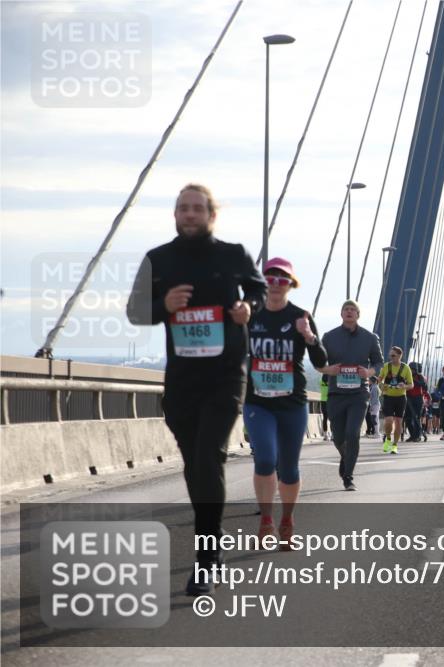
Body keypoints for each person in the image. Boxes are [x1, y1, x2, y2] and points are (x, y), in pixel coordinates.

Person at [126, 183, 267, 595]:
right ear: (175, 215)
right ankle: (211, 538)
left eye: (197, 208)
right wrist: (164, 306)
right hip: (183, 379)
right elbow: (136, 311)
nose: (189, 214)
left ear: (211, 215)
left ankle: (208, 556)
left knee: (208, 456)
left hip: (225, 375)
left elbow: (257, 290)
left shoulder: (233, 255)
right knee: (195, 464)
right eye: (182, 208)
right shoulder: (159, 259)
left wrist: (249, 308)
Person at [243, 257, 327, 547]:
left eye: (282, 279)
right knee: (265, 459)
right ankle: (266, 520)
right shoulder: (251, 314)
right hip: (258, 402)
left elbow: (321, 362)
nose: (276, 284)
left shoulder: (300, 315)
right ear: (263, 282)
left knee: (289, 467)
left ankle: (287, 520)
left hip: (292, 403)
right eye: (270, 278)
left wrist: (309, 336)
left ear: (291, 284)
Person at [317, 300, 383, 491]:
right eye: (346, 309)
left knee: (353, 434)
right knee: (338, 437)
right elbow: (318, 362)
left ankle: (348, 477)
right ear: (341, 314)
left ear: (358, 314)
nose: (349, 312)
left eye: (353, 309)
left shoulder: (370, 338)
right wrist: (329, 369)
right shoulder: (329, 337)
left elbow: (379, 363)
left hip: (358, 394)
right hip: (336, 394)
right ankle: (346, 457)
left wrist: (369, 373)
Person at [377, 346, 413, 454]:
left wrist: (404, 386)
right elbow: (379, 379)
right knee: (388, 421)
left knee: (398, 422)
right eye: (390, 355)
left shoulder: (405, 368)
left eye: (393, 355)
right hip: (388, 397)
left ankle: (395, 445)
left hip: (401, 398)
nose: (391, 357)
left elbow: (411, 385)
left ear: (399, 356)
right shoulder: (386, 366)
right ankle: (388, 439)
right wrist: (381, 385)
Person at [404, 361, 429, 442]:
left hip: (418, 398)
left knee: (416, 417)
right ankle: (412, 435)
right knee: (407, 418)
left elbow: (423, 385)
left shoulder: (419, 376)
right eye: (410, 369)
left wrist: (413, 381)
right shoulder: (406, 376)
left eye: (413, 369)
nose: (411, 371)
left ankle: (417, 436)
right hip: (409, 398)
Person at [319, 374, 331, 440]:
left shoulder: (320, 383)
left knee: (325, 418)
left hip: (323, 401)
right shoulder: (330, 384)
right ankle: (333, 435)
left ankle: (325, 435)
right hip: (330, 401)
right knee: (332, 418)